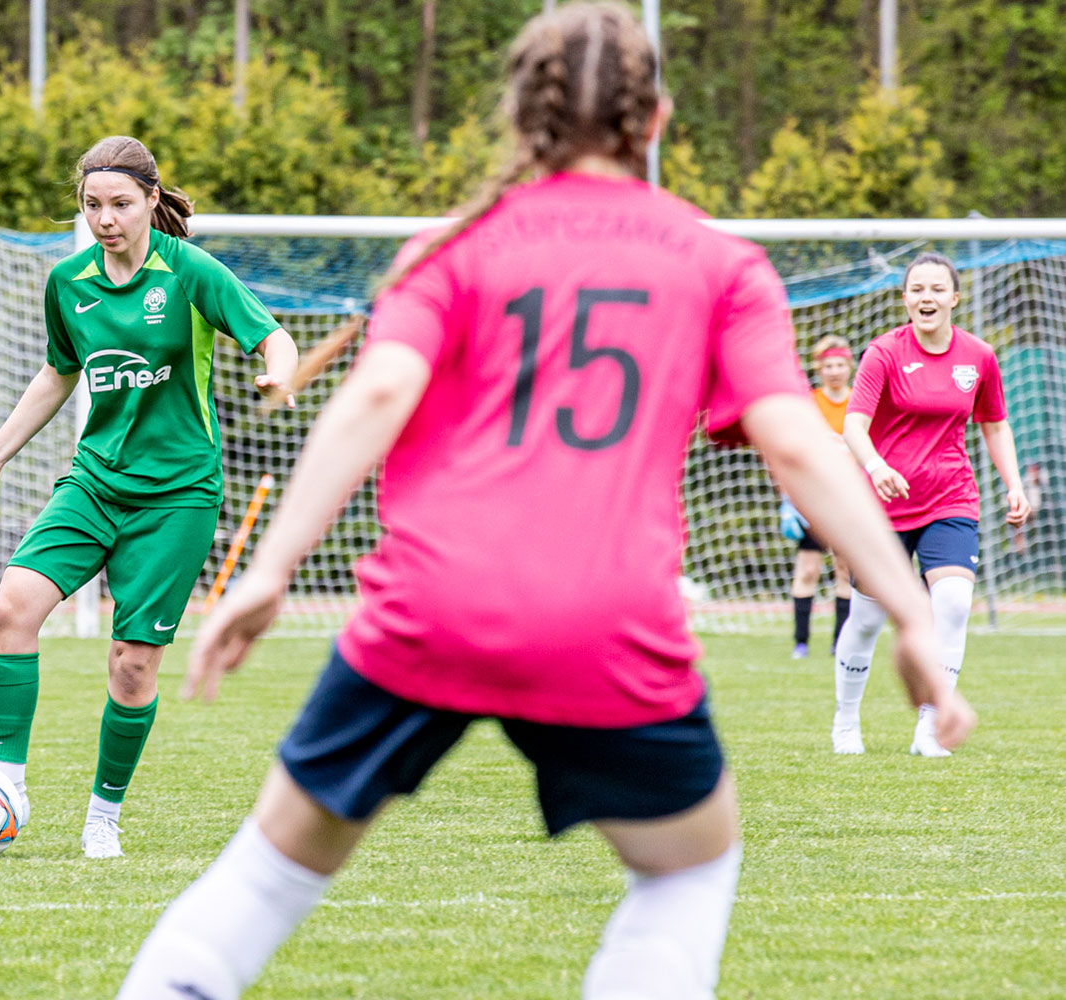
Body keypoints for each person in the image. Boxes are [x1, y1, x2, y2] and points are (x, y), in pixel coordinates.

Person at [115, 5, 974, 998]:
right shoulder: (719, 263)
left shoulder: (451, 247)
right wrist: (910, 614)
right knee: (687, 870)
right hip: (606, 622)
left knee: (266, 876)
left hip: (430, 609)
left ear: (522, 117)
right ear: (657, 120)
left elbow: (376, 397)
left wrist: (270, 571)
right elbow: (797, 444)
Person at [0, 136, 299, 859]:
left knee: (132, 664)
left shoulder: (189, 271)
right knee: (12, 608)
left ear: (151, 201)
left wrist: (279, 374)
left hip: (178, 497)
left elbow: (273, 337)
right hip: (95, 480)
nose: (106, 220)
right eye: (93, 205)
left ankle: (103, 816)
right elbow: (57, 373)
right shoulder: (68, 282)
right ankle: (6, 786)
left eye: (121, 205)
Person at [831, 251, 1031, 757]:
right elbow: (854, 425)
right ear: (905, 299)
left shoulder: (979, 356)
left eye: (937, 289)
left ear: (954, 298)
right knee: (867, 619)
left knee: (954, 604)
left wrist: (1013, 484)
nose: (927, 297)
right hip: (883, 506)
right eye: (917, 289)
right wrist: (876, 467)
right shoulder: (883, 353)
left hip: (951, 498)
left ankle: (931, 726)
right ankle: (846, 720)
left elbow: (994, 424)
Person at [780, 335, 855, 658]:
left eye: (839, 365)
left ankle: (840, 642)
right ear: (819, 369)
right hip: (812, 498)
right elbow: (789, 450)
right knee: (808, 570)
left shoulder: (859, 402)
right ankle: (801, 643)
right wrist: (788, 501)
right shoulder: (809, 403)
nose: (834, 371)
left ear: (849, 366)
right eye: (828, 366)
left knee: (844, 570)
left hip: (848, 499)